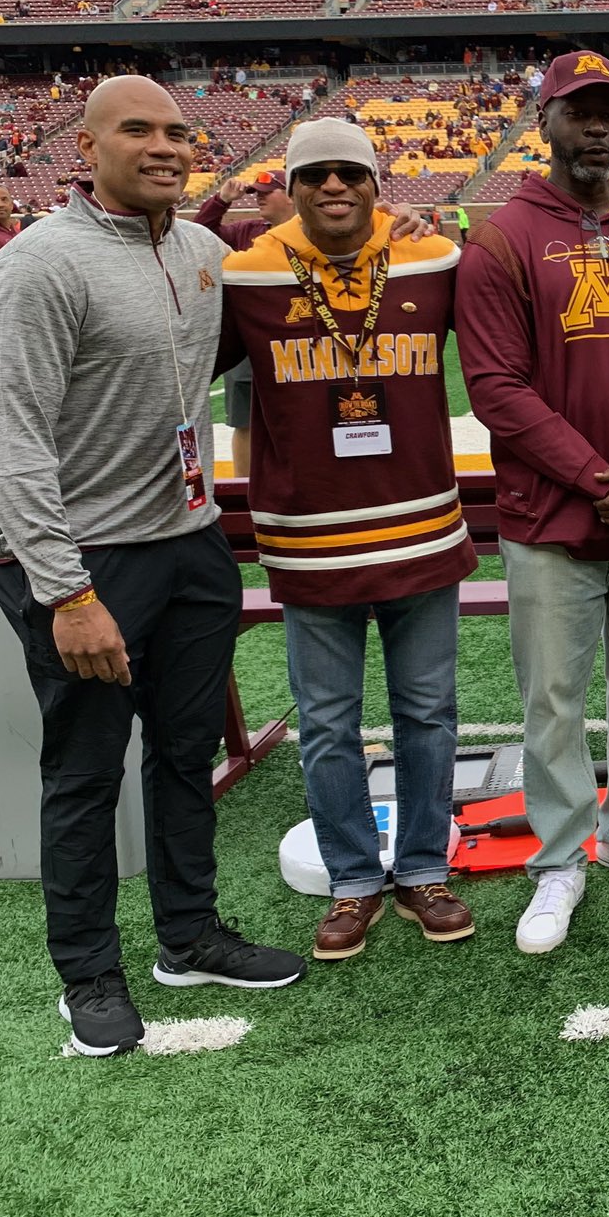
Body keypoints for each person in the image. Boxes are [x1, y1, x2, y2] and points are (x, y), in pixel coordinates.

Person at [0, 76, 306, 1059]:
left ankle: (189, 937)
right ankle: (87, 972)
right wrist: (66, 591)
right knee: (84, 773)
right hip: (83, 558)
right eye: (137, 131)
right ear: (86, 147)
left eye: (178, 132)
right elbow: (14, 445)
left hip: (188, 542)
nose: (165, 147)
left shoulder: (200, 252)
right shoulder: (37, 267)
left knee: (184, 754)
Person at [457, 50, 609, 955]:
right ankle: (560, 857)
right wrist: (602, 478)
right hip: (553, 514)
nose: (597, 126)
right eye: (578, 110)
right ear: (545, 123)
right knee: (554, 698)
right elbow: (496, 387)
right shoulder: (503, 239)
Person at [219, 120, 476, 961]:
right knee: (328, 726)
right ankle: (354, 879)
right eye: (316, 174)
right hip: (310, 537)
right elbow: (173, 357)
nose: (334, 186)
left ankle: (425, 869)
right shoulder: (249, 273)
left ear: (375, 183)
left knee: (428, 716)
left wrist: (437, 224)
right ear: (290, 188)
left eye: (350, 172)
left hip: (420, 526)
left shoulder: (431, 258)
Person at [196, 172, 297, 480]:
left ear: (291, 195)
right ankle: (246, 487)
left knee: (302, 415)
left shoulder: (314, 231)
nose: (259, 197)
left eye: (268, 191)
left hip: (297, 336)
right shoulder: (245, 230)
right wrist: (221, 200)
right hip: (247, 341)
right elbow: (199, 235)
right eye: (257, 192)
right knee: (245, 420)